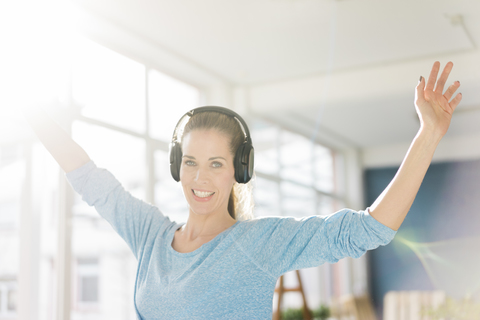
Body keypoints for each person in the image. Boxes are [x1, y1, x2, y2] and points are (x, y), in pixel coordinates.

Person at [25, 61, 462, 319]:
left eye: (217, 165)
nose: (201, 178)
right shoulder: (150, 236)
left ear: (239, 170)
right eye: (192, 162)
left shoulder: (257, 244)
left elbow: (369, 230)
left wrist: (427, 136)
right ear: (178, 166)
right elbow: (90, 178)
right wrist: (33, 114)